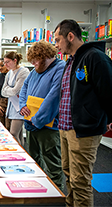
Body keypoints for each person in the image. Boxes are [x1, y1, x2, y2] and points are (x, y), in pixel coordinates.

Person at [54, 19, 112, 207]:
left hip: (83, 130)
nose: (56, 45)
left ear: (70, 36)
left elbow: (107, 90)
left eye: (58, 40)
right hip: (65, 128)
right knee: (69, 176)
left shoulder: (95, 57)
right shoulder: (70, 61)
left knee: (80, 181)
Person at [19, 40, 65, 191]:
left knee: (52, 162)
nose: (34, 65)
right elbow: (24, 88)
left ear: (47, 57)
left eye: (37, 61)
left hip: (48, 126)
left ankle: (55, 194)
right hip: (31, 123)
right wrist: (23, 106)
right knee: (33, 160)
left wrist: (37, 119)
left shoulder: (60, 68)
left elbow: (54, 97)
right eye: (32, 62)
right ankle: (35, 191)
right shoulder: (34, 71)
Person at [1, 52, 29, 146]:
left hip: (20, 106)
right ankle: (23, 154)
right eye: (4, 62)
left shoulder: (23, 71)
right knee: (19, 134)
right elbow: (3, 92)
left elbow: (15, 91)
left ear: (15, 61)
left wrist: (8, 90)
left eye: (7, 62)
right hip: (12, 105)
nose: (5, 65)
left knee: (13, 133)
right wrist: (10, 90)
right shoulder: (9, 73)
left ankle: (19, 154)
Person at [0, 58, 10, 129]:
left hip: (10, 102)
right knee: (2, 126)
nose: (0, 68)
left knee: (9, 126)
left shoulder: (11, 75)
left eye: (2, 65)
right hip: (1, 103)